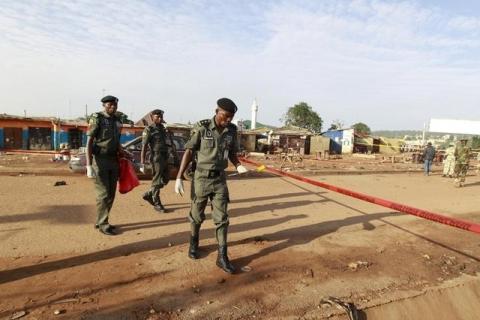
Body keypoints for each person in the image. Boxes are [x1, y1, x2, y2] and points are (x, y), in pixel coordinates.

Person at [174, 98, 248, 274]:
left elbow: (231, 152)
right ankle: (194, 244)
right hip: (200, 178)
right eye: (225, 116)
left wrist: (238, 164)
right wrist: (178, 177)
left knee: (222, 218)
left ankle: (222, 256)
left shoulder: (231, 131)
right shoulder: (202, 127)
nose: (228, 120)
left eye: (231, 117)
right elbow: (190, 151)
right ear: (217, 111)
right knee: (196, 215)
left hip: (220, 180)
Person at [86, 95, 125, 236]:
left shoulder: (117, 121)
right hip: (100, 160)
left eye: (115, 105)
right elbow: (89, 141)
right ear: (104, 105)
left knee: (111, 194)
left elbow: (116, 141)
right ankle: (103, 223)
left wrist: (124, 152)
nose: (113, 107)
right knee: (103, 194)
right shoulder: (97, 118)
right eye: (110, 105)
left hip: (113, 160)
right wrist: (89, 165)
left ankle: (100, 220)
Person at [140, 109, 171, 213]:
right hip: (156, 157)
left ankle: (149, 193)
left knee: (166, 179)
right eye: (157, 117)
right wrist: (142, 163)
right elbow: (144, 146)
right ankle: (157, 203)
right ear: (152, 118)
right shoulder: (149, 129)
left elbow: (169, 143)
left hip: (165, 156)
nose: (160, 118)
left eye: (161, 116)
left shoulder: (163, 128)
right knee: (157, 181)